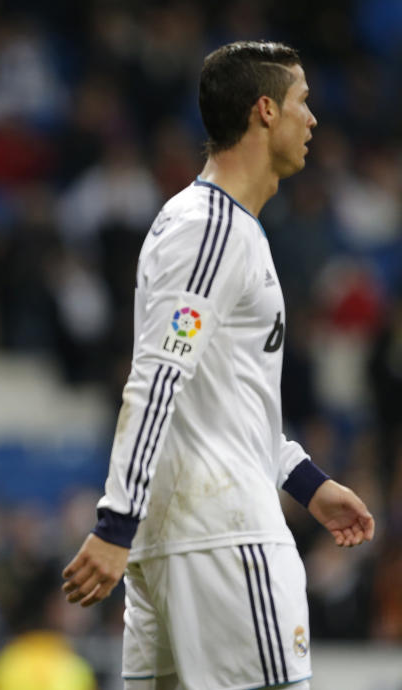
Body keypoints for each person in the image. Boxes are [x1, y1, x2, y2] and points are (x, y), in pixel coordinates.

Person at [61, 41, 375, 690]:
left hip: (185, 538)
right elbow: (157, 378)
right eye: (302, 102)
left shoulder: (217, 228)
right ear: (265, 111)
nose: (312, 119)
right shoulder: (211, 229)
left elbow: (226, 397)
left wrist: (308, 482)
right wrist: (114, 521)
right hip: (226, 538)